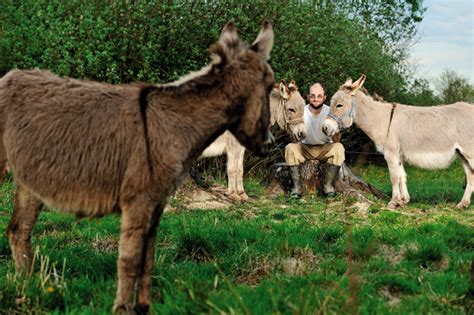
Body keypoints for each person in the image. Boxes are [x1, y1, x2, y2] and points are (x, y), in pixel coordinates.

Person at [285, 82, 345, 198]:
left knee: (339, 148)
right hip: (305, 148)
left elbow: (336, 140)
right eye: (312, 96)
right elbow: (294, 140)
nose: (316, 99)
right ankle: (296, 189)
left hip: (324, 148)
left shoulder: (331, 112)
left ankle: (328, 187)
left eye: (319, 96)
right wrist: (294, 135)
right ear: (307, 97)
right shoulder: (301, 112)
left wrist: (336, 131)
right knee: (290, 148)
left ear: (324, 98)